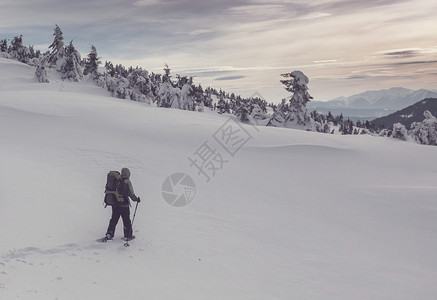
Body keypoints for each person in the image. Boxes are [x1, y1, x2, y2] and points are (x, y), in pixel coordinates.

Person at [105, 167, 140, 241]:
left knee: (114, 219)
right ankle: (128, 235)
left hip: (115, 204)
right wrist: (136, 199)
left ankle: (109, 234)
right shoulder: (127, 181)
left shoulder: (117, 180)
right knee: (126, 220)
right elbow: (131, 194)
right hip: (124, 205)